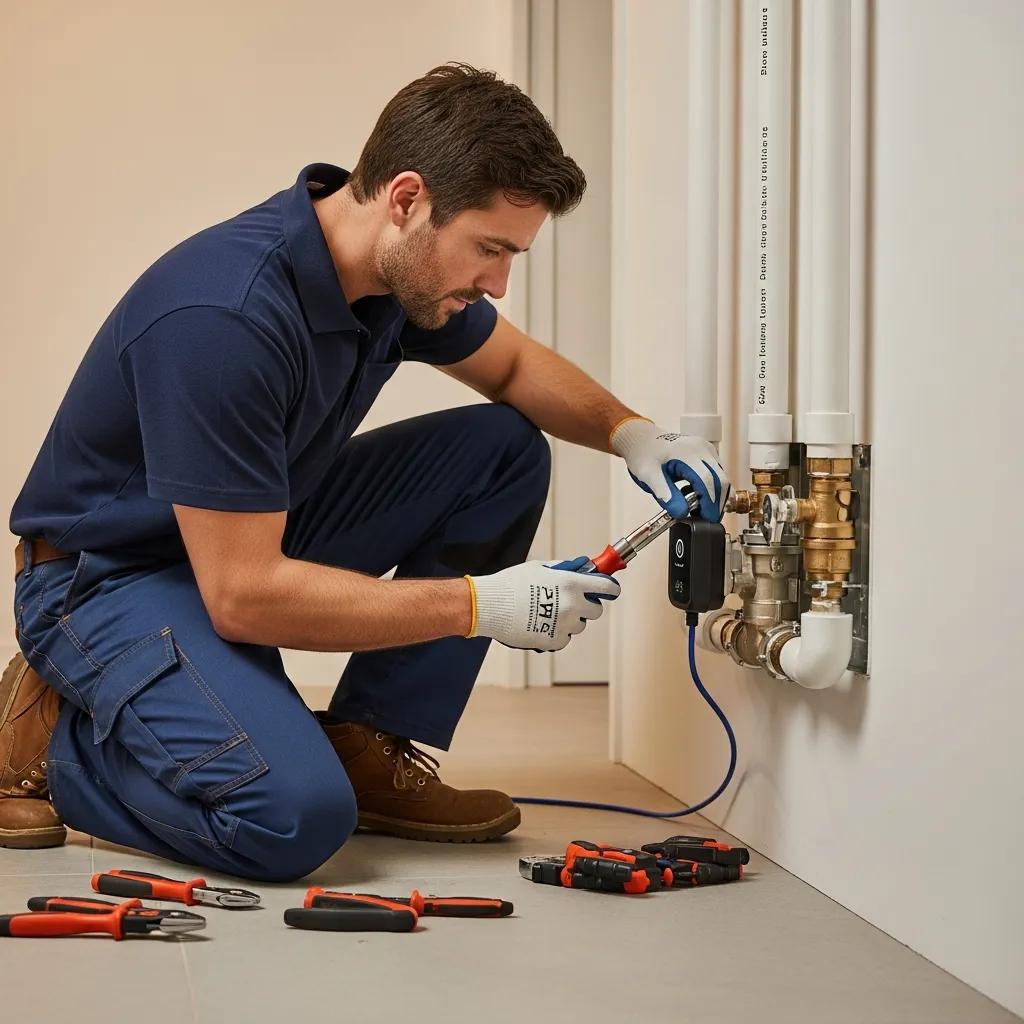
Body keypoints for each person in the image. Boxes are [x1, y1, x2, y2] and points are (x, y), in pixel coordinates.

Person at [1, 63, 729, 880]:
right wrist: (480, 604)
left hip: (245, 534)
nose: (497, 282)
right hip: (107, 582)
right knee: (292, 821)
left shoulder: (390, 276)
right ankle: (60, 734)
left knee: (502, 449)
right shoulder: (225, 318)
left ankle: (366, 746)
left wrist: (633, 433)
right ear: (408, 199)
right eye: (489, 249)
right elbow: (242, 598)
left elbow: (515, 365)